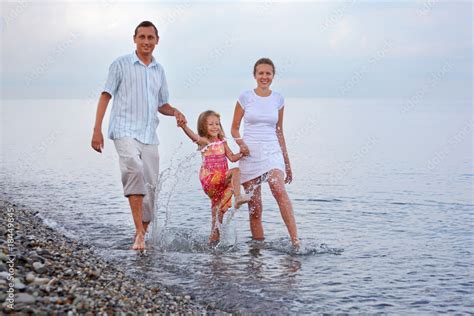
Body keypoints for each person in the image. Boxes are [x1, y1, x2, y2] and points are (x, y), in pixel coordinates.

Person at [91, 21, 186, 251]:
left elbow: (161, 104)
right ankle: (139, 235)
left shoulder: (159, 70)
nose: (146, 42)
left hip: (149, 136)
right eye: (142, 37)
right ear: (134, 39)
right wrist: (97, 130)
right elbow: (106, 95)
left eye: (150, 37)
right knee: (133, 168)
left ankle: (142, 232)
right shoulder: (120, 65)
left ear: (157, 40)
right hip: (123, 130)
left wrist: (175, 112)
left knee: (151, 188)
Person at [231, 58, 300, 248]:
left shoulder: (278, 99)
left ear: (273, 76)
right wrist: (240, 143)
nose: (264, 77)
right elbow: (234, 128)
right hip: (250, 154)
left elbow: (279, 131)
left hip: (272, 152)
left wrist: (287, 163)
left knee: (279, 189)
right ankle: (257, 252)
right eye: (260, 73)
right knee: (255, 208)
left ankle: (295, 242)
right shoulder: (245, 97)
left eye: (268, 73)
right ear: (254, 76)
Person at [179, 110, 250, 243]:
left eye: (217, 124)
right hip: (211, 180)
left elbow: (233, 158)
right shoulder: (205, 142)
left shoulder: (222, 142)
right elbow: (194, 137)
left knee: (218, 218)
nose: (215, 126)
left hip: (222, 182)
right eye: (210, 124)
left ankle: (213, 249)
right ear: (203, 127)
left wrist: (242, 153)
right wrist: (184, 127)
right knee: (236, 172)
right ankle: (238, 197)